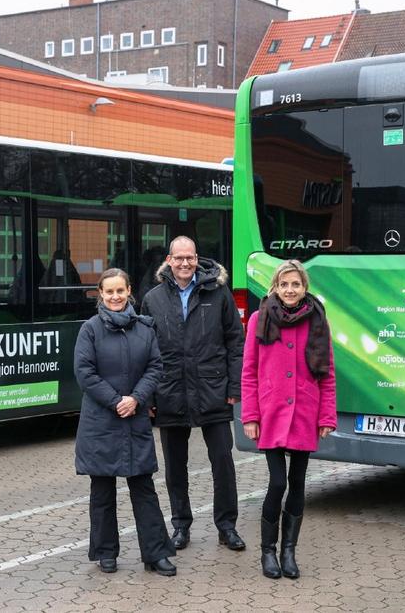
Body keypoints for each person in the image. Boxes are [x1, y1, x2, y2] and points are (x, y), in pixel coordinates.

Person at [140, 236, 246, 551]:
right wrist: (148, 396)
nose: (185, 263)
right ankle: (181, 526)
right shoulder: (153, 299)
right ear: (169, 261)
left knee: (222, 462)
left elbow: (235, 341)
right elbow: (145, 351)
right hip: (170, 390)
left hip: (213, 389)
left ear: (197, 259)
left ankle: (227, 527)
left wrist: (235, 386)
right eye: (179, 258)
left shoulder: (219, 293)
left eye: (190, 258)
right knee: (175, 468)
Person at [74, 268, 177, 576]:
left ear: (129, 291)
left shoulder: (145, 329)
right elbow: (84, 373)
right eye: (109, 292)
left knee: (144, 487)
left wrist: (136, 398)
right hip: (100, 422)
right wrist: (116, 400)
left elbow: (155, 367)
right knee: (102, 490)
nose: (115, 297)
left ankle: (156, 553)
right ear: (101, 294)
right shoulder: (90, 330)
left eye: (120, 291)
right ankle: (105, 552)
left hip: (134, 418)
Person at [240, 259, 336, 580]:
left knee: (297, 483)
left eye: (296, 284)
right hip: (271, 412)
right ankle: (268, 551)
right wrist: (250, 415)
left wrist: (326, 416)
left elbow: (327, 373)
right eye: (284, 284)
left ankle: (289, 552)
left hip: (305, 412)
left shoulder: (318, 320)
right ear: (276, 287)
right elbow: (249, 371)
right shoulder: (260, 318)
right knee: (277, 482)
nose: (290, 290)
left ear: (304, 287)